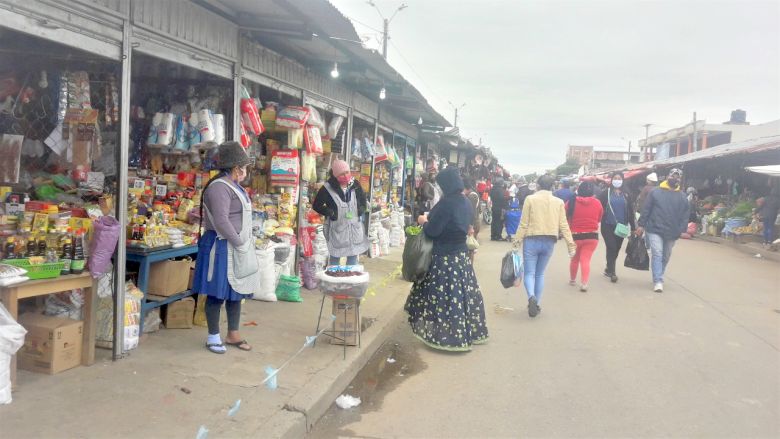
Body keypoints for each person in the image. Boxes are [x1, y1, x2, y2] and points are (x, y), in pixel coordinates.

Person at [405, 167, 489, 351]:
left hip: (443, 257)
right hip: (461, 257)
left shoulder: (446, 204)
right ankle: (462, 334)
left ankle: (446, 337)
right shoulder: (466, 202)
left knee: (442, 299)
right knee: (460, 297)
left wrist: (422, 221)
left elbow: (434, 231)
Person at [193, 141, 259, 354]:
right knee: (217, 293)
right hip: (221, 246)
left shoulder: (234, 185)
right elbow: (221, 220)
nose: (245, 171)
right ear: (236, 167)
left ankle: (233, 333)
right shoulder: (219, 187)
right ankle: (213, 336)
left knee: (236, 292)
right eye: (244, 167)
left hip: (236, 247)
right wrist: (239, 242)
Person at [513, 174, 576, 318]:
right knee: (540, 273)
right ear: (552, 186)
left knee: (529, 273)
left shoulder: (530, 199)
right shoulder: (559, 202)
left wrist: (516, 243)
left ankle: (531, 297)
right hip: (549, 240)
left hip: (531, 239)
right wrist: (570, 245)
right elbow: (564, 225)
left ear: (538, 186)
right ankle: (537, 302)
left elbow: (523, 224)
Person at [637, 168, 690, 293]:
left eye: (678, 177)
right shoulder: (655, 192)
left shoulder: (683, 197)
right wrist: (641, 225)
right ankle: (658, 280)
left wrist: (682, 229)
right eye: (673, 176)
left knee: (666, 256)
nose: (675, 179)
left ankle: (659, 273)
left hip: (672, 231)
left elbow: (685, 214)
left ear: (680, 180)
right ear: (668, 177)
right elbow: (646, 209)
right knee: (657, 253)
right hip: (654, 228)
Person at [312, 159, 369, 266]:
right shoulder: (327, 188)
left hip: (354, 228)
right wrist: (330, 212)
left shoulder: (355, 184)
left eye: (347, 172)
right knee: (335, 257)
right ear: (335, 175)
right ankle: (334, 279)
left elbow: (363, 200)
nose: (346, 176)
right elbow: (316, 205)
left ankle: (351, 280)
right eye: (341, 174)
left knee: (353, 256)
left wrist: (361, 209)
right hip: (337, 229)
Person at [597, 171, 636, 283]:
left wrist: (633, 228)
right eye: (615, 178)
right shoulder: (605, 193)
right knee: (612, 247)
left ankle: (609, 267)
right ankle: (613, 273)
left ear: (623, 180)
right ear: (612, 180)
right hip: (607, 225)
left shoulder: (627, 194)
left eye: (619, 178)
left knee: (616, 249)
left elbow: (630, 211)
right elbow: (597, 206)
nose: (617, 180)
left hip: (621, 227)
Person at [565, 181, 603, 292]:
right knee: (585, 260)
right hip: (592, 236)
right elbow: (599, 218)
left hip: (575, 236)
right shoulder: (597, 203)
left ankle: (572, 280)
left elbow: (564, 216)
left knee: (574, 259)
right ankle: (584, 283)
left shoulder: (571, 202)